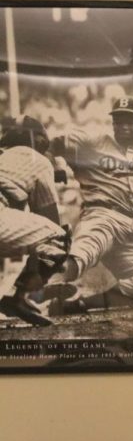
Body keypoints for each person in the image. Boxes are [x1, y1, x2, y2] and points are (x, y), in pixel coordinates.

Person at [45, 96, 133, 315]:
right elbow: (47, 143)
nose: (123, 126)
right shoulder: (91, 143)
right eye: (119, 120)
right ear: (112, 123)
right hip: (101, 216)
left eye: (130, 121)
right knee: (80, 256)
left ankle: (79, 305)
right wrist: (53, 163)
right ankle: (39, 293)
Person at [0, 115, 71, 326]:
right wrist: (39, 273)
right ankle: (16, 297)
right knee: (58, 239)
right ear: (38, 139)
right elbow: (50, 221)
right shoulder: (37, 160)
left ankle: (15, 297)